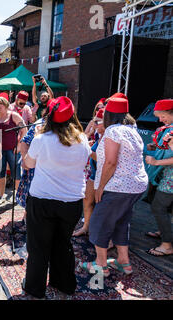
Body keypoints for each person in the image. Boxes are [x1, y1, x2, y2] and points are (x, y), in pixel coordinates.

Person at [22, 96, 91, 299]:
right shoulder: (82, 139)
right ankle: (64, 283)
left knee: (38, 245)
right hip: (71, 201)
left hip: (42, 199)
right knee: (63, 244)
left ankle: (35, 287)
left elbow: (29, 164)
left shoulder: (41, 139)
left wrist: (25, 154)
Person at [81, 97, 148, 277]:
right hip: (136, 185)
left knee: (98, 223)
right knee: (121, 222)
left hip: (118, 186)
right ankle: (123, 261)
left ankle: (101, 265)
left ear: (110, 114)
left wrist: (100, 187)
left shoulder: (113, 131)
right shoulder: (131, 129)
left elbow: (110, 162)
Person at [144, 99, 173, 257]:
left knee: (158, 206)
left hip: (171, 180)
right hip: (166, 176)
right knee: (162, 206)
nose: (160, 120)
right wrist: (156, 147)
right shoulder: (169, 129)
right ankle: (164, 231)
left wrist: (156, 161)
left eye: (162, 116)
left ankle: (167, 245)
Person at [73, 108, 105, 237]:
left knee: (101, 204)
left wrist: (88, 150)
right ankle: (86, 227)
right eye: (94, 121)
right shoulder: (99, 134)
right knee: (87, 199)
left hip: (105, 175)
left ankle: (101, 234)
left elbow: (104, 160)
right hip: (94, 172)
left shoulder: (110, 137)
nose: (94, 124)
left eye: (98, 122)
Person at [0, 93, 26, 205]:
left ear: (6, 105)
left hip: (13, 150)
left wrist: (19, 145)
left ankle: (17, 196)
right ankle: (1, 195)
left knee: (16, 174)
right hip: (0, 151)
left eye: (0, 104)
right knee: (0, 174)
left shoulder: (14, 115)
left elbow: (24, 130)